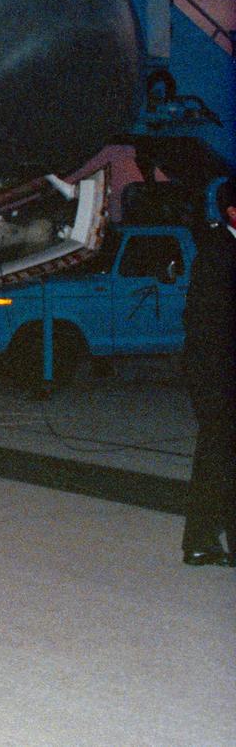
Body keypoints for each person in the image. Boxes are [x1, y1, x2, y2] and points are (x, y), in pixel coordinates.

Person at [180, 176, 236, 567]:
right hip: (219, 378)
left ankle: (199, 542)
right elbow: (208, 325)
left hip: (216, 376)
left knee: (215, 461)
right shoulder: (220, 253)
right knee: (222, 462)